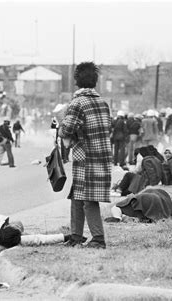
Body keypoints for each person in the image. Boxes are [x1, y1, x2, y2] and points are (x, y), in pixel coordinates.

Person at [58, 62, 112, 249]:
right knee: (78, 197)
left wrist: (60, 126)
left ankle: (98, 238)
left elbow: (67, 129)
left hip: (86, 158)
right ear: (95, 81)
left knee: (88, 199)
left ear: (77, 81)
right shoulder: (103, 103)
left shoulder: (77, 103)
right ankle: (76, 236)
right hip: (102, 156)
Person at [0, 205, 69, 262]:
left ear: (8, 226)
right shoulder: (4, 246)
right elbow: (37, 239)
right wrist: (64, 237)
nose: (18, 226)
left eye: (17, 227)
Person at [105, 188, 172, 223]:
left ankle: (118, 217)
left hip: (141, 200)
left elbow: (117, 206)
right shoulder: (165, 198)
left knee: (116, 207)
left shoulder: (137, 197)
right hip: (158, 203)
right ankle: (149, 218)